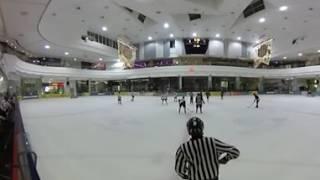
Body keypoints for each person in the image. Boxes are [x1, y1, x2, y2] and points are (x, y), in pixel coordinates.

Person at [175, 117, 240, 180]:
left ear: (189, 131)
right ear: (202, 128)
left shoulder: (183, 148)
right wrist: (225, 159)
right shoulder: (213, 142)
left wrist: (187, 175)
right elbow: (235, 151)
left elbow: (179, 170)